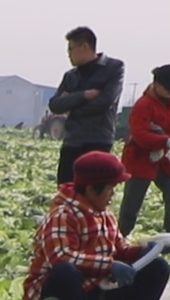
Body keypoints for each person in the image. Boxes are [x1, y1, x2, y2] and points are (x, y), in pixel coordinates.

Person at [23, 150, 169, 300]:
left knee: (158, 266)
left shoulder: (105, 213)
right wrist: (108, 266)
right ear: (91, 189)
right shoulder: (63, 214)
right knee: (64, 272)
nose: (113, 194)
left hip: (98, 286)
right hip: (68, 290)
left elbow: (120, 249)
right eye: (110, 188)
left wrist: (141, 251)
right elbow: (61, 257)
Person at [118, 64, 170, 250]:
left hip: (169, 161)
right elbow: (140, 135)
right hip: (142, 160)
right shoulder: (143, 105)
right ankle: (119, 237)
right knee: (132, 202)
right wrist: (167, 141)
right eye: (168, 88)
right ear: (156, 84)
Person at [47, 26, 124, 184]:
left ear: (84, 47)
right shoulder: (71, 76)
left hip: (99, 139)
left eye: (70, 49)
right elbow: (55, 105)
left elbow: (105, 102)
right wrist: (84, 95)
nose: (68, 55)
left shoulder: (113, 68)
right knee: (66, 188)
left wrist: (70, 104)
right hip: (72, 140)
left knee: (95, 190)